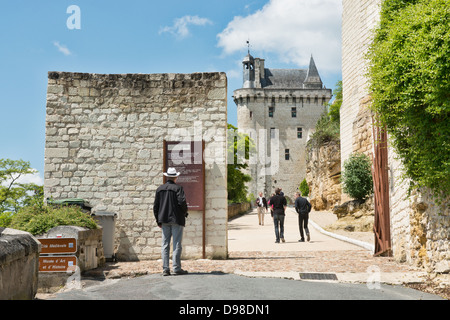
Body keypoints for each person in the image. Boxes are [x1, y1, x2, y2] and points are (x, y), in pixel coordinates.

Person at [153, 167, 189, 276]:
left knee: (165, 244)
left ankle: (165, 269)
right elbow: (182, 202)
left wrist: (158, 220)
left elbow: (156, 206)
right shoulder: (178, 188)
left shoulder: (160, 189)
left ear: (167, 176)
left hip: (164, 219)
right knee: (177, 243)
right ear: (176, 177)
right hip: (177, 219)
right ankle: (176, 268)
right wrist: (185, 212)